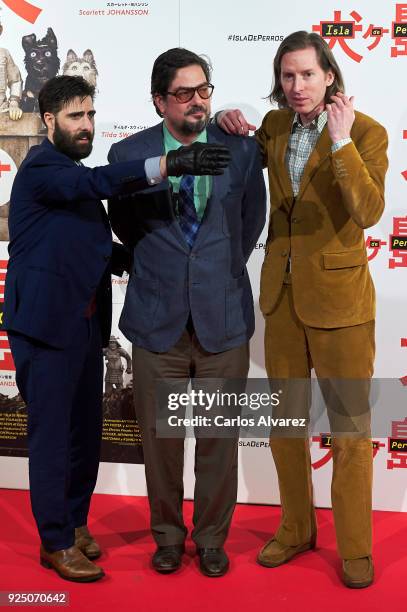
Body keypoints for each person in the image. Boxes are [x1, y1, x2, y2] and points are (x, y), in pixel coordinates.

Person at [3, 75, 230, 583]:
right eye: (74, 117)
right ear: (48, 122)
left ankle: (76, 524)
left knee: (86, 432)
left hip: (86, 326)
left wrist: (144, 261)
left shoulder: (73, 171)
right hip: (45, 329)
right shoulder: (44, 168)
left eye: (89, 115)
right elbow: (95, 184)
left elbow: (90, 244)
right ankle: (55, 542)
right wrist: (169, 163)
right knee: (52, 438)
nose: (86, 126)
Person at [216, 31, 388, 588]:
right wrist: (223, 117)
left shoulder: (367, 133)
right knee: (285, 426)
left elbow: (368, 210)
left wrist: (340, 143)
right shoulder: (274, 127)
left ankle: (356, 549)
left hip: (341, 304)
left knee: (350, 431)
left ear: (330, 75)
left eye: (307, 75)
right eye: (287, 76)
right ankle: (295, 528)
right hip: (282, 299)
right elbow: (241, 142)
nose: (296, 86)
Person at [108, 48, 266, 577]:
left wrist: (212, 273)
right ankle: (168, 536)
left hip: (223, 319)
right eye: (184, 93)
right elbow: (126, 229)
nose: (198, 102)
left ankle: (213, 538)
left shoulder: (240, 151)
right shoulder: (127, 155)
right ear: (159, 101)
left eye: (205, 90)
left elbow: (249, 224)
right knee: (163, 442)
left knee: (219, 441)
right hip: (158, 320)